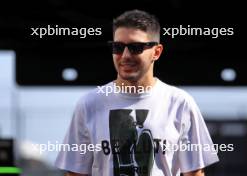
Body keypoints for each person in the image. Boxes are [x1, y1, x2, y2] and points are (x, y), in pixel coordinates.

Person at [55, 9, 219, 176]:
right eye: (118, 47)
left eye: (135, 47)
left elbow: (194, 173)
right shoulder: (89, 103)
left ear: (156, 52)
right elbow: (76, 173)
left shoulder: (180, 103)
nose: (125, 55)